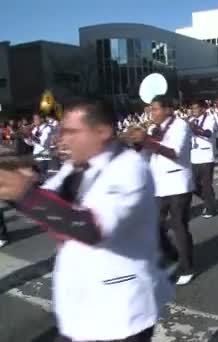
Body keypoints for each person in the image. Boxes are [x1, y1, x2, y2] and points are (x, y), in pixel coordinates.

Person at [0, 99, 173, 341]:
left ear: (102, 132)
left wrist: (25, 193)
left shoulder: (129, 168)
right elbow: (49, 200)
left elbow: (93, 229)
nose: (64, 138)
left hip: (121, 313)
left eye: (72, 131)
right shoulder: (75, 166)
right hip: (83, 307)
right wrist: (13, 179)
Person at [130, 95, 195, 286]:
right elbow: (144, 155)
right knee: (154, 226)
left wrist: (147, 139)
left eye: (155, 109)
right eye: (150, 109)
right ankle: (173, 256)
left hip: (178, 183)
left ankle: (187, 267)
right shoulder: (151, 128)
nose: (152, 113)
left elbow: (174, 152)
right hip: (158, 186)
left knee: (178, 226)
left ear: (168, 109)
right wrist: (136, 143)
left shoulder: (180, 125)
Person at [189, 102, 218, 219]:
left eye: (195, 108)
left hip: (206, 156)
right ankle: (210, 200)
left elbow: (208, 133)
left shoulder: (210, 119)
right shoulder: (191, 120)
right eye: (192, 108)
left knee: (206, 185)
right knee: (192, 185)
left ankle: (210, 208)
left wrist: (194, 128)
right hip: (194, 156)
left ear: (202, 109)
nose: (193, 110)